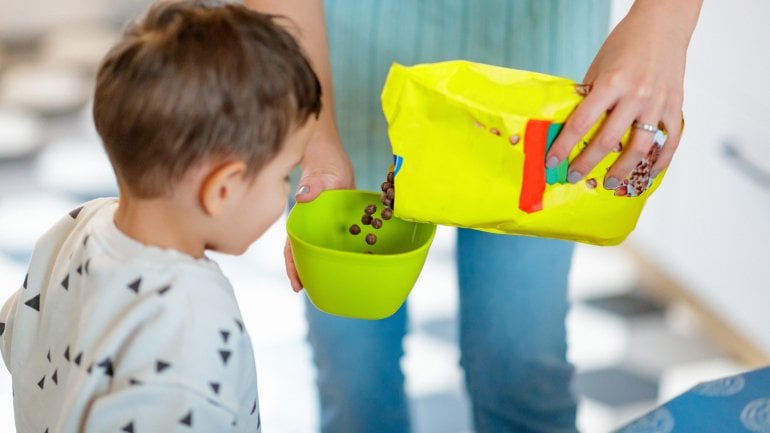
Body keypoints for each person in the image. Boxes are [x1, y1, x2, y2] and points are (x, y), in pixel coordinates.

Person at [246, 1, 703, 432]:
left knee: (518, 371)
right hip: (340, 66)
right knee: (353, 382)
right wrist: (313, 123)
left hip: (533, 92)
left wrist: (663, 22)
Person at [0, 1, 321, 432]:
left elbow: (19, 335)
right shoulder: (192, 322)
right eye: (285, 174)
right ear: (222, 189)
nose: (288, 190)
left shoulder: (78, 227)